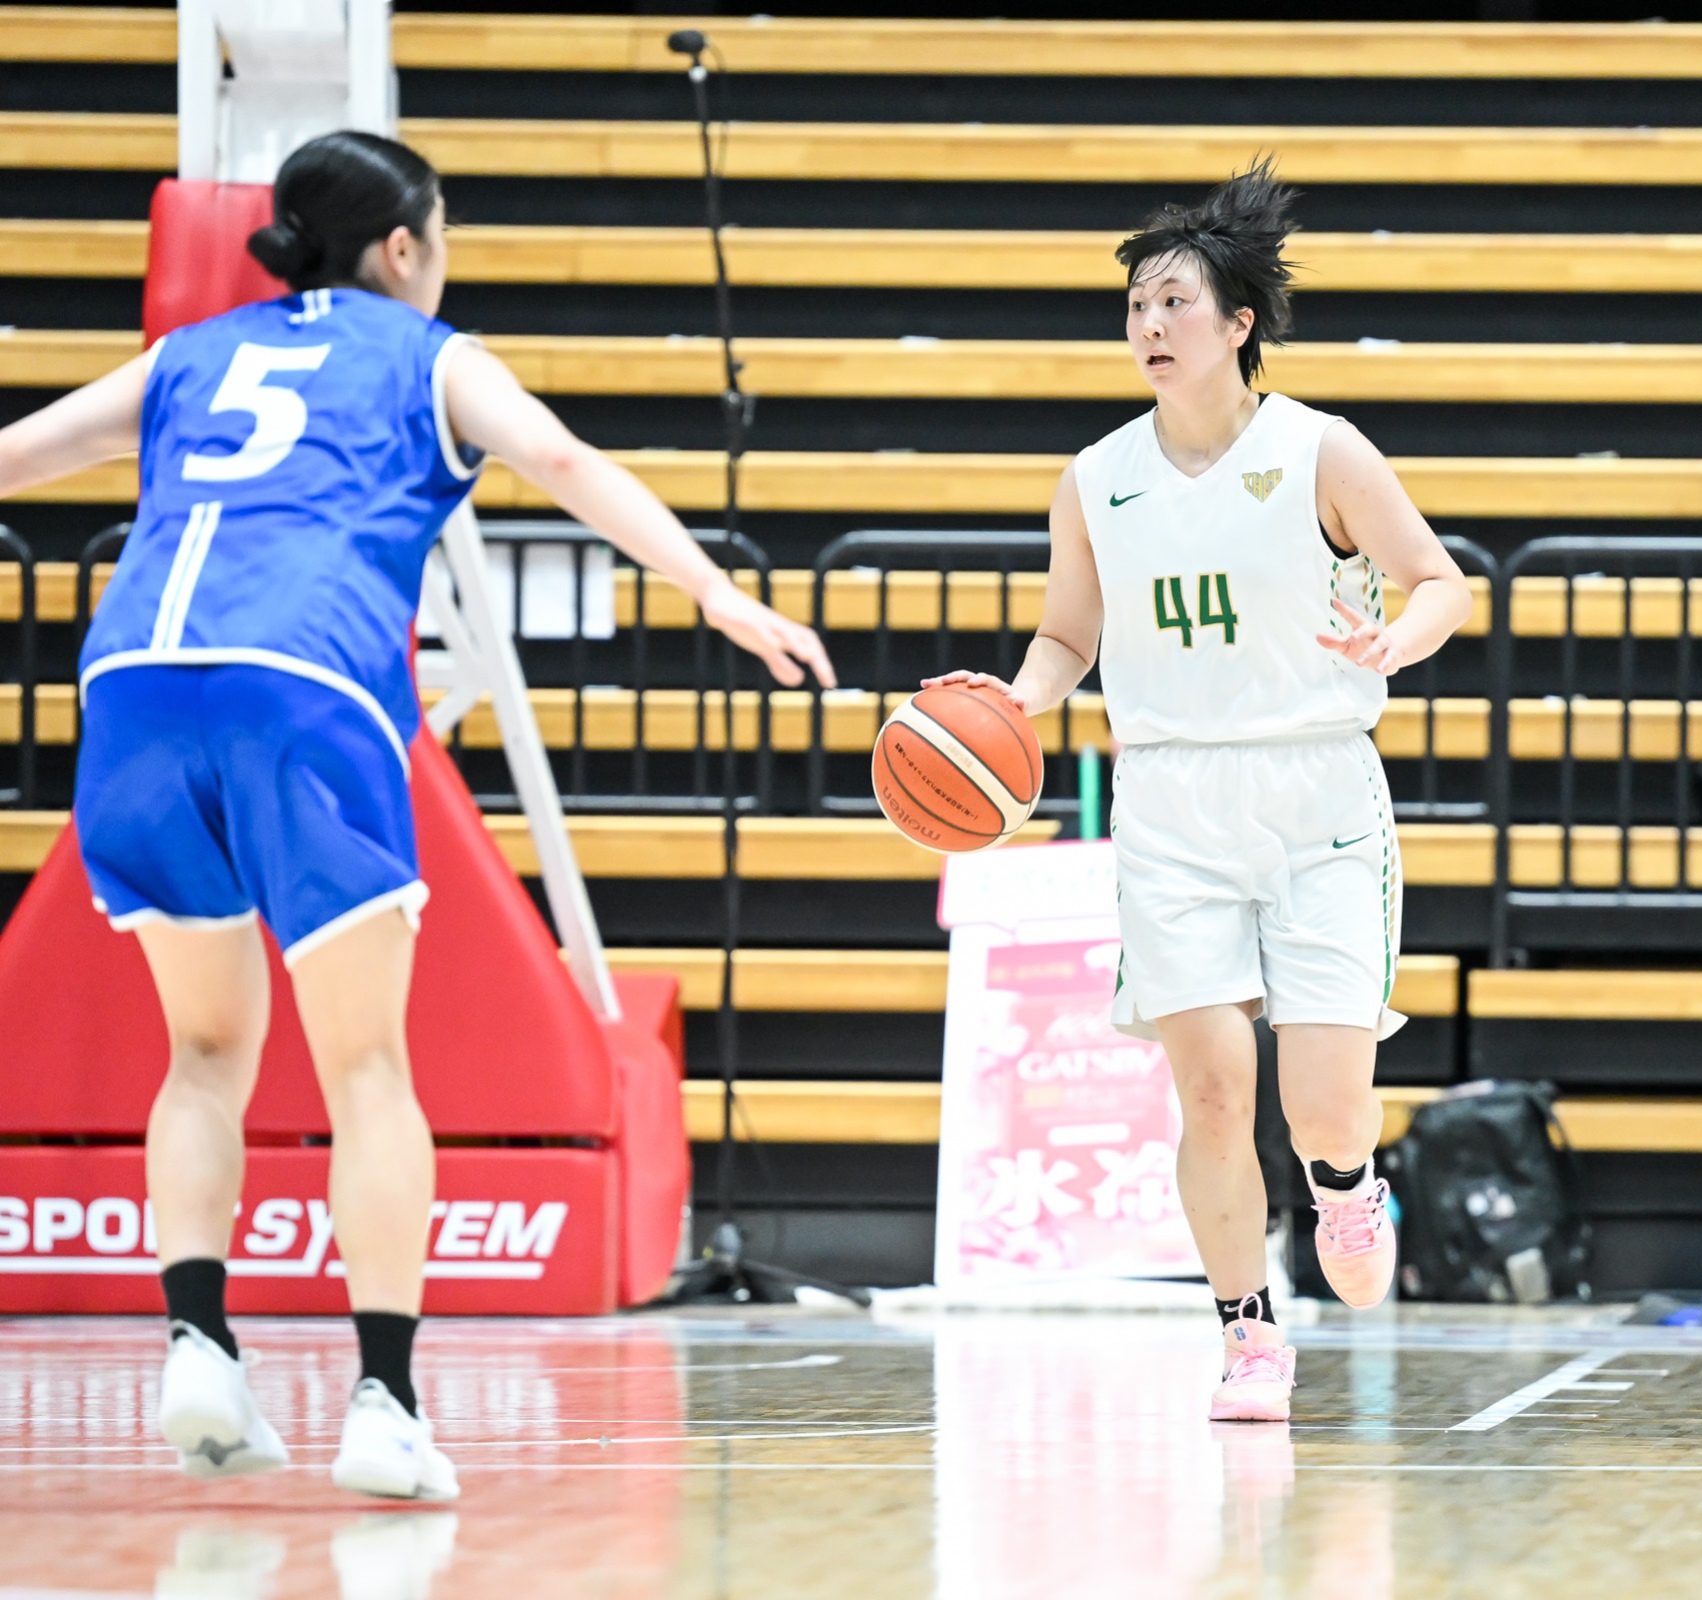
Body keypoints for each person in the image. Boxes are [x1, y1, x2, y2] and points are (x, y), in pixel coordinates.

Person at [0, 132, 834, 1497]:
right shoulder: (428, 354)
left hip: (132, 683)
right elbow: (560, 458)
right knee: (367, 1071)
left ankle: (199, 1343)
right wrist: (719, 592)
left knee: (202, 1050)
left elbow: (15, 455)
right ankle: (383, 1403)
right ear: (403, 248)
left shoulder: (189, 356)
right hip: (301, 681)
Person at [921, 161, 1472, 1423]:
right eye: (1136, 307)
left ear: (1238, 324)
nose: (1150, 325)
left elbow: (1441, 580)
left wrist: (1396, 640)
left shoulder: (1321, 449)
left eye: (1175, 303)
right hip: (1171, 799)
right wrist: (1014, 699)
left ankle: (1346, 1186)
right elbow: (1067, 637)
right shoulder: (1095, 478)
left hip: (1317, 788)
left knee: (1319, 1103)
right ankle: (1249, 1336)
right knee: (1213, 1088)